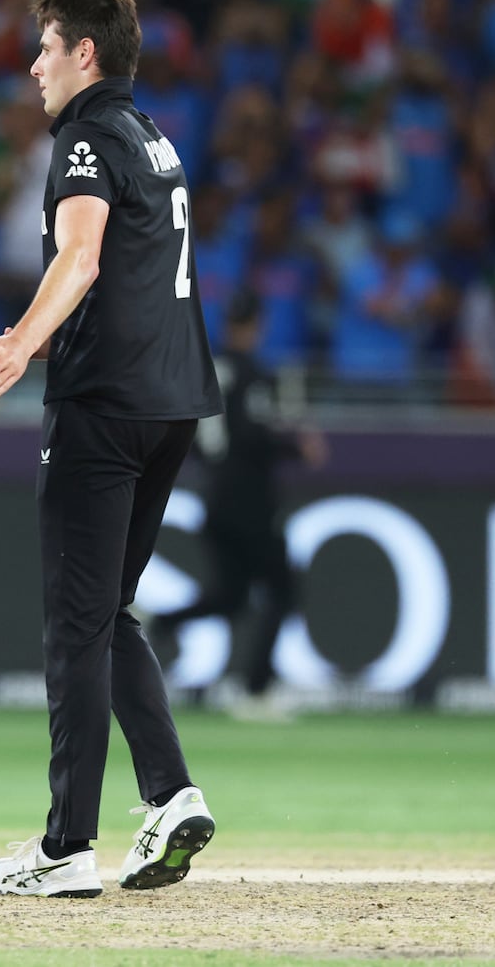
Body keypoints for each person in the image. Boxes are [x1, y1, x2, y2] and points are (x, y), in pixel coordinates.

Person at [0, 0, 223, 898]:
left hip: (103, 402)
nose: (33, 64)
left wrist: (21, 343)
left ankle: (66, 845)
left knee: (75, 624)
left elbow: (82, 254)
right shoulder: (153, 136)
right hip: (174, 401)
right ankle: (172, 793)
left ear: (87, 54)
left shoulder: (85, 137)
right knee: (107, 611)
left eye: (46, 45)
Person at [149, 290, 328, 722]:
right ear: (258, 325)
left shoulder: (205, 370)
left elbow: (189, 435)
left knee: (231, 597)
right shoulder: (252, 373)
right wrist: (294, 446)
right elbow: (252, 434)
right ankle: (255, 689)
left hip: (216, 498)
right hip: (250, 502)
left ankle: (162, 622)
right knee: (283, 591)